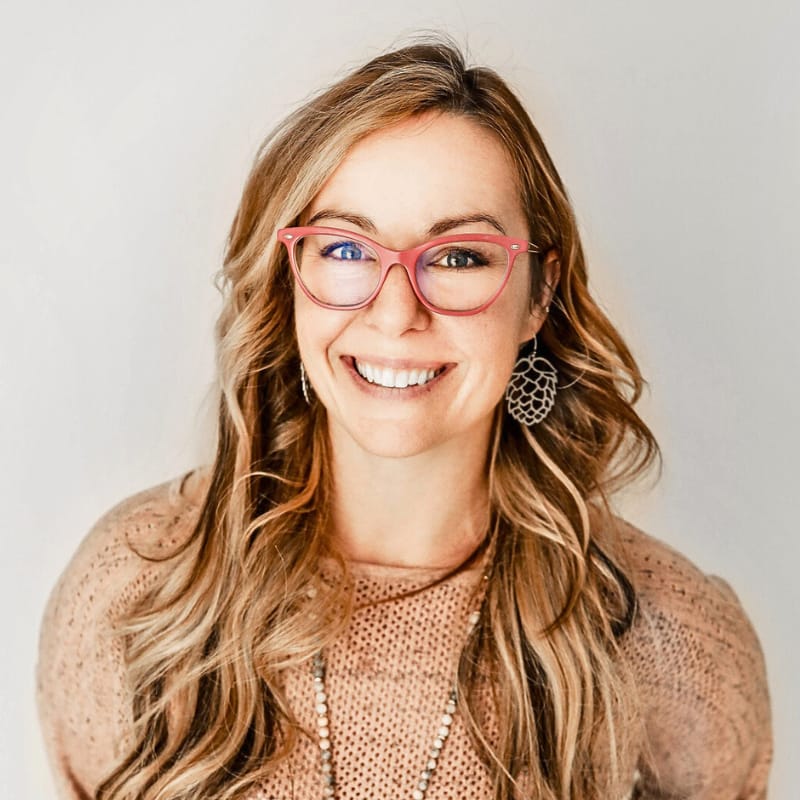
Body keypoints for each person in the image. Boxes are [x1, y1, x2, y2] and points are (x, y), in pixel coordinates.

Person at [36, 36, 772, 800]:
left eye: (458, 258)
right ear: (289, 281)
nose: (395, 313)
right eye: (346, 248)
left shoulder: (666, 634)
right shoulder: (136, 594)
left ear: (539, 294)